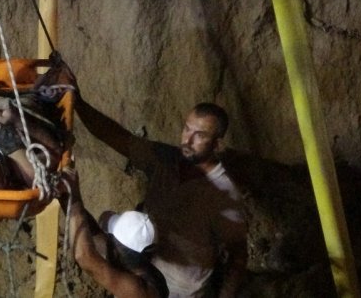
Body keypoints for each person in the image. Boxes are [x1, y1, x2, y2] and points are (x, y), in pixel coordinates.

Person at [75, 98, 247, 298]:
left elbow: (237, 257)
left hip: (179, 292)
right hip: (142, 272)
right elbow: (115, 136)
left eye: (199, 135)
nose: (187, 141)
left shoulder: (223, 195)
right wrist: (77, 102)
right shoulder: (165, 160)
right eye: (186, 129)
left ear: (217, 144)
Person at [59, 168, 169, 298]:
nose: (108, 238)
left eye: (112, 238)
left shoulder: (140, 291)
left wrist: (74, 196)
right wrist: (65, 196)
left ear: (118, 251)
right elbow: (94, 235)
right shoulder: (136, 264)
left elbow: (84, 257)